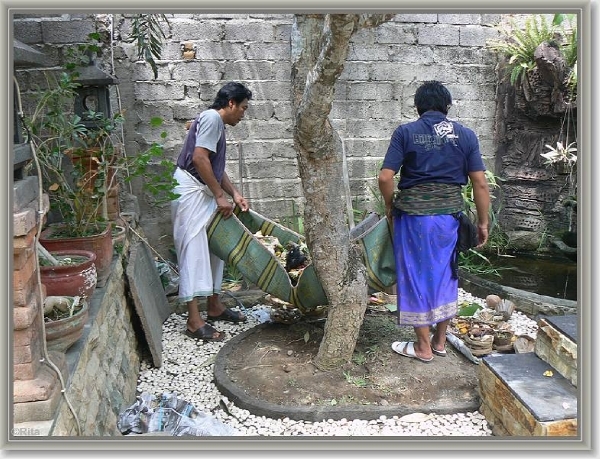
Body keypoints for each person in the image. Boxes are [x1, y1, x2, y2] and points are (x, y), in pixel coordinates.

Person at [378, 80, 490, 362]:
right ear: (447, 106)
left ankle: (422, 348)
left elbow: (385, 177)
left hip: (414, 220)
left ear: (417, 108)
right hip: (448, 219)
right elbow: (480, 183)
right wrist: (483, 223)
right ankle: (439, 342)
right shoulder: (465, 135)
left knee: (415, 277)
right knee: (446, 274)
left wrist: (390, 207)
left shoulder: (406, 132)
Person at [171, 81, 253, 342]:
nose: (243, 114)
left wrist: (233, 193)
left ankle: (214, 307)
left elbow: (213, 165)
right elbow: (199, 159)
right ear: (230, 103)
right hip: (191, 193)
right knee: (193, 252)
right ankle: (194, 321)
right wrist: (219, 195)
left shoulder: (215, 123)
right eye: (242, 108)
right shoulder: (211, 118)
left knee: (214, 249)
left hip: (202, 191)